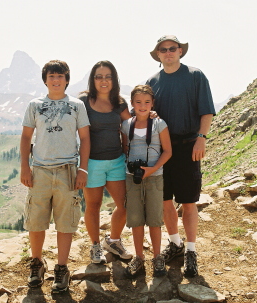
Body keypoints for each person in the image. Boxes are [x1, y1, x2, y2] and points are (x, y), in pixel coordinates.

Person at [146, 35, 216, 277]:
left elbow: (207, 111)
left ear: (180, 51)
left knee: (188, 201)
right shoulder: (152, 81)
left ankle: (191, 250)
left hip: (188, 145)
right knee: (165, 200)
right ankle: (175, 243)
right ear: (158, 54)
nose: (168, 52)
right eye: (163, 49)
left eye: (172, 48)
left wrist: (201, 138)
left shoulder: (196, 76)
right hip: (161, 148)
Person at [20, 60, 90, 293]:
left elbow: (86, 139)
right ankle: (37, 263)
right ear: (45, 80)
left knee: (65, 222)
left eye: (60, 76)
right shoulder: (35, 105)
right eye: (51, 76)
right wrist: (25, 167)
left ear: (67, 79)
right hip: (39, 170)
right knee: (36, 220)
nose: (56, 80)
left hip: (68, 171)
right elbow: (25, 137)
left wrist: (83, 169)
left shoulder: (77, 105)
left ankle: (61, 268)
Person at [78, 61, 132, 264]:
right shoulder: (83, 101)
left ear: (114, 79)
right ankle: (95, 247)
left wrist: (149, 114)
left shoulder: (119, 102)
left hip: (117, 161)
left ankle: (113, 241)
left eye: (108, 76)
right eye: (99, 76)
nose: (103, 80)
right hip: (92, 163)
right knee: (93, 205)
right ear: (93, 80)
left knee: (124, 205)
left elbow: (131, 124)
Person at [121, 85, 172, 278]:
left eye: (147, 102)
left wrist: (152, 169)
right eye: (138, 102)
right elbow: (124, 147)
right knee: (135, 218)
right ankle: (139, 257)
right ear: (132, 104)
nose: (143, 106)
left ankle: (157, 256)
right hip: (132, 176)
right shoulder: (127, 125)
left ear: (153, 104)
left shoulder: (159, 124)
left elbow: (168, 151)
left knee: (154, 218)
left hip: (155, 177)